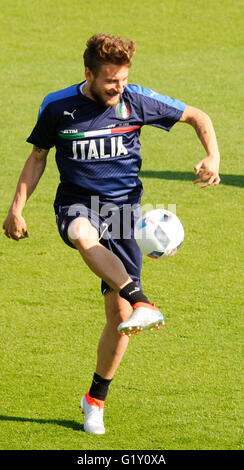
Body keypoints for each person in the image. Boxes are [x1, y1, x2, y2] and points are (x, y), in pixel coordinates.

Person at [3, 33, 220, 434]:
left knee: (119, 316)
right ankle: (143, 300)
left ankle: (95, 399)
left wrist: (213, 156)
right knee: (84, 235)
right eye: (110, 81)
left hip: (124, 215)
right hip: (77, 204)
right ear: (88, 73)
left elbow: (198, 116)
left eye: (122, 80)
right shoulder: (58, 106)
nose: (117, 88)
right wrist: (16, 208)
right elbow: (37, 159)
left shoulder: (136, 100)